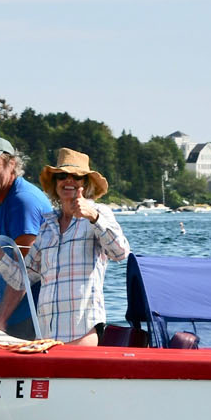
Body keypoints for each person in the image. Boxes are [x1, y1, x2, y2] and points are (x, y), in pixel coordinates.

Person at [15, 148, 130, 345]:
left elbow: (121, 253)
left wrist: (94, 217)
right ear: (55, 183)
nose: (68, 181)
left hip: (82, 333)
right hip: (45, 337)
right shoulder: (47, 226)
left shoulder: (99, 213)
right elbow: (24, 277)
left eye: (76, 177)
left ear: (86, 183)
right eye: (61, 176)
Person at [0, 136, 51, 338]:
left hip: (33, 315)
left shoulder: (23, 202)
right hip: (13, 311)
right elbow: (2, 259)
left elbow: (25, 273)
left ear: (11, 164)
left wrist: (0, 320)